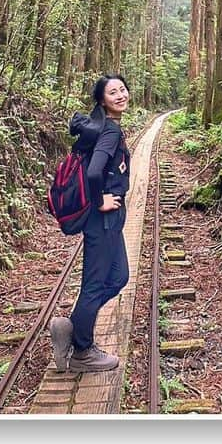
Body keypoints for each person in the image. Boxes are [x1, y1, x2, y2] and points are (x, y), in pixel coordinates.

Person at [49, 74, 132, 372]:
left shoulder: (104, 127)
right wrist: (101, 202)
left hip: (110, 220)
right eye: (113, 92)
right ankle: (83, 351)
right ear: (102, 100)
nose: (120, 95)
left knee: (119, 276)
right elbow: (95, 172)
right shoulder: (108, 131)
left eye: (122, 89)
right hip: (103, 219)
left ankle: (70, 327)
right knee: (95, 284)